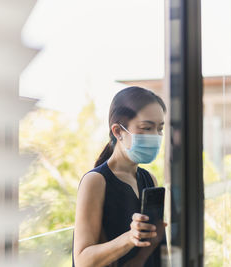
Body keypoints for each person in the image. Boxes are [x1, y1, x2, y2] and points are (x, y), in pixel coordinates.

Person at [72, 86, 168, 267]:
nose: (155, 136)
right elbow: (83, 260)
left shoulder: (149, 180)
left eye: (159, 129)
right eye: (146, 128)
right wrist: (129, 238)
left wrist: (152, 241)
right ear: (118, 131)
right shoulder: (95, 181)